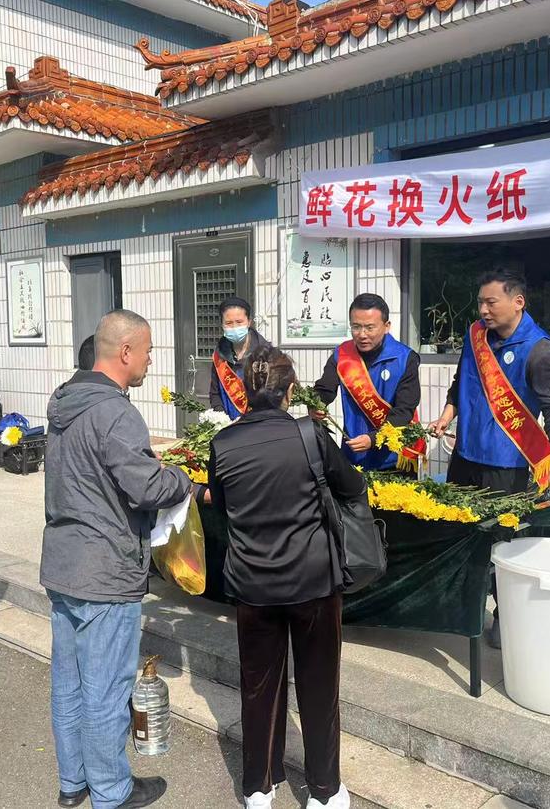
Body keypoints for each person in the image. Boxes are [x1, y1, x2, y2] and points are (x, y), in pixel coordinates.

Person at [41, 310, 192, 809]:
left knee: (70, 683)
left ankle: (74, 781)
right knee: (106, 690)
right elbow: (146, 487)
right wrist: (181, 479)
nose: (150, 360)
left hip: (64, 562)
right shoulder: (116, 412)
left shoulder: (65, 402)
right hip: (105, 568)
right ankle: (111, 791)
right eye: (147, 351)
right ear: (126, 352)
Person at [208, 346, 362, 809]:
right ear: (289, 391)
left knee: (258, 686)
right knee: (319, 687)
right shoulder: (310, 435)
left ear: (244, 392)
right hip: (313, 581)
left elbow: (222, 503)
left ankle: (258, 787)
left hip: (253, 583)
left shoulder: (223, 444)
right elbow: (353, 486)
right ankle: (324, 792)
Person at [427, 268, 550, 648]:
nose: (483, 310)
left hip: (507, 466)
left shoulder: (538, 349)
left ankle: (505, 617)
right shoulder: (475, 335)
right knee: (457, 533)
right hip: (465, 457)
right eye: (480, 302)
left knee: (503, 543)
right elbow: (460, 383)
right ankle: (463, 607)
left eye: (491, 302)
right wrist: (446, 416)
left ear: (517, 302)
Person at [312, 294, 421, 471]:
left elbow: (404, 410)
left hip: (394, 456)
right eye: (356, 327)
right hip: (353, 453)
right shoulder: (342, 354)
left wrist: (373, 439)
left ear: (386, 326)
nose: (362, 335)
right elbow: (325, 389)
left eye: (370, 327)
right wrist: (316, 404)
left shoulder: (405, 358)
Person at [209, 297, 270, 420]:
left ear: (249, 322)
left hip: (259, 423)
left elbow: (275, 395)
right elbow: (215, 393)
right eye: (229, 323)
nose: (234, 327)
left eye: (239, 322)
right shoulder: (219, 355)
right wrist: (221, 419)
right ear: (222, 325)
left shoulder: (266, 353)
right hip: (228, 424)